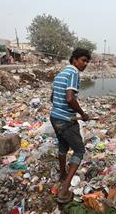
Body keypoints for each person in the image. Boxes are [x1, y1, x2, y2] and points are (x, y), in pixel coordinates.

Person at [50, 48, 91, 203]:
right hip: (66, 120)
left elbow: (53, 97)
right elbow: (69, 98)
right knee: (79, 150)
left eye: (87, 61)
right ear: (74, 59)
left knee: (63, 146)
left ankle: (61, 175)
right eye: (83, 60)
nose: (85, 64)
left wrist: (59, 109)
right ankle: (64, 190)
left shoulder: (60, 74)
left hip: (54, 117)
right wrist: (82, 114)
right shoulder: (74, 73)